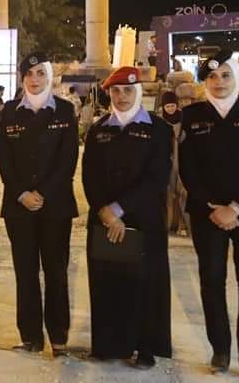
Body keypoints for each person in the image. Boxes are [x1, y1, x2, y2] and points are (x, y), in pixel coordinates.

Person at [179, 50, 239, 379]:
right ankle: (220, 350)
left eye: (225, 75)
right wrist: (213, 206)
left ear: (237, 78)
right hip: (207, 214)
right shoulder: (192, 117)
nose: (218, 82)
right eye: (211, 77)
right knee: (211, 281)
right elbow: (188, 170)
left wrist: (234, 208)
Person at [82, 66, 172, 369]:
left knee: (145, 284)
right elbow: (89, 175)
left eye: (128, 91)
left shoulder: (158, 129)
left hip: (143, 220)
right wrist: (104, 211)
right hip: (105, 220)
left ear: (139, 92)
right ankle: (110, 345)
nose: (121, 97)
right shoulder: (98, 130)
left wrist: (119, 209)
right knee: (108, 282)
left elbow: (157, 177)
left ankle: (145, 347)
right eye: (116, 91)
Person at [0, 53, 79, 356]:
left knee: (56, 272)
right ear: (22, 79)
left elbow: (67, 159)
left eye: (40, 73)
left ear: (49, 77)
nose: (35, 79)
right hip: (18, 207)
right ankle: (30, 337)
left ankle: (58, 337)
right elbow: (4, 157)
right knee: (25, 272)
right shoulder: (9, 111)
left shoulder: (64, 110)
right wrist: (21, 193)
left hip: (54, 205)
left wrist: (42, 193)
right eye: (29, 74)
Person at [157, 91, 189, 236]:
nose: (170, 109)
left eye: (172, 105)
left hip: (182, 160)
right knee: (169, 193)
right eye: (167, 106)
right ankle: (169, 224)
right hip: (167, 161)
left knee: (182, 192)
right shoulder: (160, 121)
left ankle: (183, 224)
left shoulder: (183, 119)